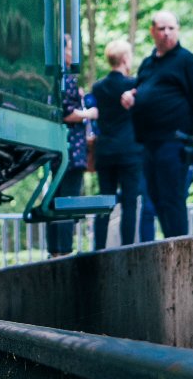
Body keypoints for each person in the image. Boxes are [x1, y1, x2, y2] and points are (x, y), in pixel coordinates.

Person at [130, 11, 193, 240]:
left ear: (178, 30)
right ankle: (169, 242)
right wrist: (131, 97)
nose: (166, 33)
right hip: (148, 141)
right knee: (154, 196)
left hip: (174, 140)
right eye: (162, 29)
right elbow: (141, 90)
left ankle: (179, 244)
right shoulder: (147, 64)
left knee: (172, 196)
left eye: (171, 28)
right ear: (152, 31)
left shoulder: (187, 61)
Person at [89, 39, 142, 248]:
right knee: (129, 203)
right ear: (126, 58)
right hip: (129, 150)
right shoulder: (133, 85)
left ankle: (99, 247)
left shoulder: (98, 87)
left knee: (105, 200)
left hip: (106, 150)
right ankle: (128, 247)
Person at [52, 37, 91, 255]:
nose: (72, 53)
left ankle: (55, 248)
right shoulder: (67, 79)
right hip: (72, 148)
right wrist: (89, 113)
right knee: (68, 200)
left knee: (58, 197)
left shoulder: (56, 79)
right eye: (69, 48)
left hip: (60, 148)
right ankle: (64, 249)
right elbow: (67, 112)